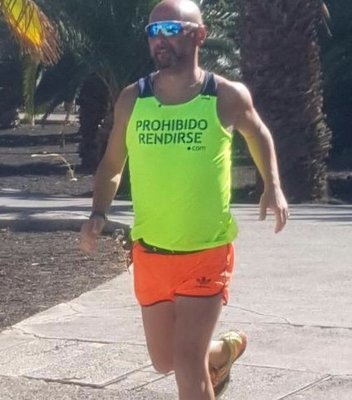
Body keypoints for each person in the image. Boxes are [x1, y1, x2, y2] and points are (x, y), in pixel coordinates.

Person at [80, 1, 289, 399]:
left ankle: (205, 361)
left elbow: (258, 133)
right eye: (153, 32)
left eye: (172, 29)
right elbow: (112, 164)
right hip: (151, 253)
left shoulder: (224, 96)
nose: (161, 39)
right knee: (165, 360)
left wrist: (272, 184)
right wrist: (97, 212)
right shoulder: (132, 99)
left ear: (199, 35)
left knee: (187, 365)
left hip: (206, 253)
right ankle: (222, 352)